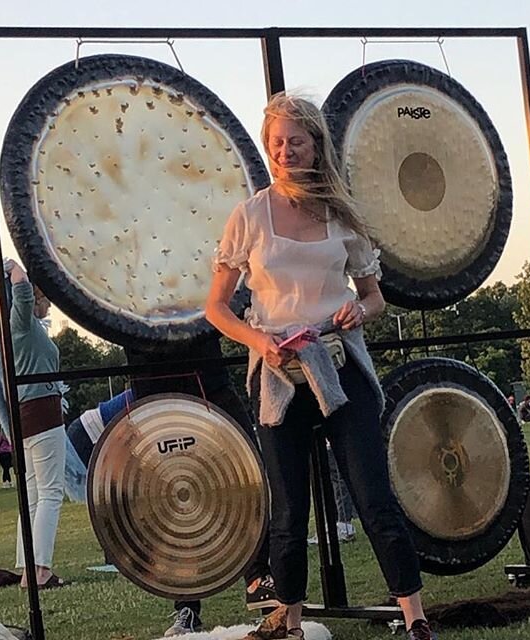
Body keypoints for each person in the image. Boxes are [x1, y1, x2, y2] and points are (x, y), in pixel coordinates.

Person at [206, 93, 435, 640]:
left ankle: (416, 619)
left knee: (373, 496)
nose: (284, 151)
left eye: (295, 141)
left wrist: (360, 308)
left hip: (339, 364)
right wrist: (259, 341)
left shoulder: (343, 212)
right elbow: (215, 308)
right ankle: (290, 621)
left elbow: (375, 297)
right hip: (279, 373)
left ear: (315, 147)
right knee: (288, 510)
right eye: (276, 142)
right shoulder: (250, 216)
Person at [124, 341, 277, 637]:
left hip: (208, 378)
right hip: (154, 386)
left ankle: (259, 580)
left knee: (248, 479)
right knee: (173, 497)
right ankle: (186, 605)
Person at [0, 259, 67, 590]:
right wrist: (13, 266)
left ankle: (27, 571)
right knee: (50, 494)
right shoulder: (21, 325)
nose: (49, 307)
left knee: (34, 496)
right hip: (43, 415)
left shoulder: (11, 334)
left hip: (25, 419)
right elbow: (21, 288)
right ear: (37, 298)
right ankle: (41, 570)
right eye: (46, 300)